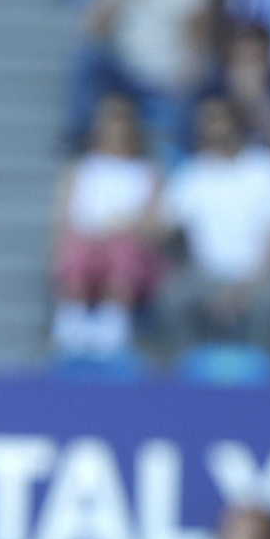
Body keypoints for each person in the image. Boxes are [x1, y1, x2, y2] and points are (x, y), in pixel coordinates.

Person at [155, 98, 270, 357]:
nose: (210, 127)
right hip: (204, 276)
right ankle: (188, 376)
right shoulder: (191, 174)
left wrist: (246, 289)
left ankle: (264, 379)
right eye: (205, 121)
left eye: (217, 119)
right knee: (172, 297)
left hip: (262, 275)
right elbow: (161, 228)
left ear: (237, 123)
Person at [66, 0, 215, 162]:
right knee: (89, 61)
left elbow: (200, 37)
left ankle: (179, 164)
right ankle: (81, 137)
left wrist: (187, 76)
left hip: (169, 79)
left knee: (181, 112)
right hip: (126, 76)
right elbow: (92, 31)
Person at [50, 95, 163, 358]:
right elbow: (63, 217)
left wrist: (121, 228)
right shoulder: (80, 169)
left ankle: (112, 329)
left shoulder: (146, 172)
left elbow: (153, 223)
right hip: (85, 241)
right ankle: (72, 326)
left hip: (128, 243)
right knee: (74, 250)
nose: (114, 133)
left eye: (121, 126)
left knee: (122, 252)